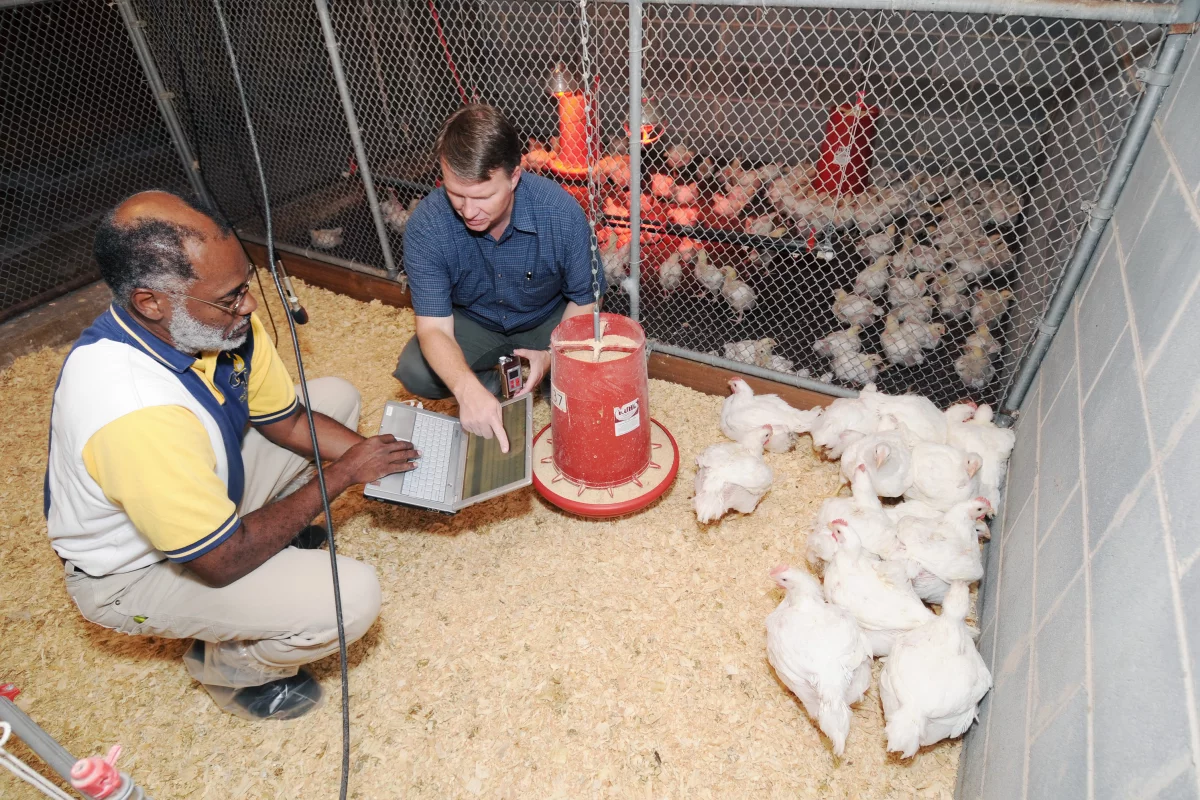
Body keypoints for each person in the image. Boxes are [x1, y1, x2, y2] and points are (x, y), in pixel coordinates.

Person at [44, 190, 420, 720]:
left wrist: (382, 457)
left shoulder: (209, 321)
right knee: (350, 599)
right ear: (151, 302)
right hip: (136, 571)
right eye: (229, 297)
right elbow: (221, 563)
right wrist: (343, 475)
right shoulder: (133, 412)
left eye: (245, 285)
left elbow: (287, 420)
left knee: (333, 397)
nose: (246, 305)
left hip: (199, 500)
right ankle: (229, 669)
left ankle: (274, 548)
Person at [394, 104, 605, 452]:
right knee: (417, 370)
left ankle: (541, 375)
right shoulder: (427, 225)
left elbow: (585, 300)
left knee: (589, 367)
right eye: (455, 194)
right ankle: (491, 384)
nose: (468, 210)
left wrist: (552, 355)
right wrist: (466, 389)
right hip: (477, 320)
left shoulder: (561, 214)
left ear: (514, 177)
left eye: (483, 196)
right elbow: (433, 328)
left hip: (545, 317)